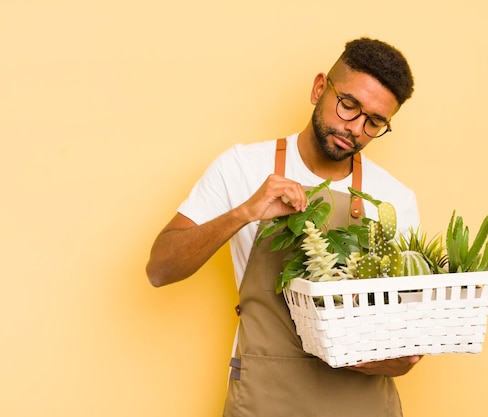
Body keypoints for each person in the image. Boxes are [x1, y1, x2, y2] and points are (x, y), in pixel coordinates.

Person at [146, 37, 422, 417]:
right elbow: (160, 269)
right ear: (319, 88)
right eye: (349, 105)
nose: (355, 128)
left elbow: (407, 347)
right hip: (264, 399)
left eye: (374, 121)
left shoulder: (394, 199)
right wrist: (244, 212)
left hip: (361, 404)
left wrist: (393, 357)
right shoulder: (241, 167)